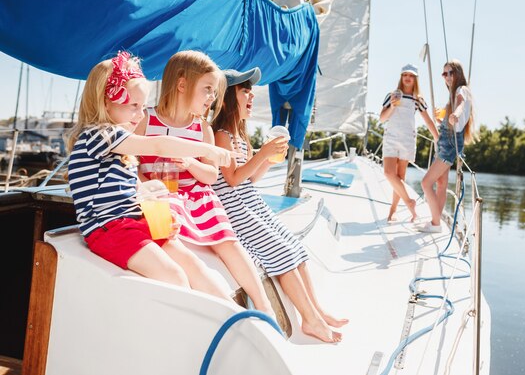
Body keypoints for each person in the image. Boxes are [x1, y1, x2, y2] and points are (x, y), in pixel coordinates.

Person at [66, 50, 240, 305]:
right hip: (109, 230)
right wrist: (207, 150)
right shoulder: (100, 135)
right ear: (105, 103)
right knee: (174, 276)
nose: (140, 114)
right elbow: (158, 146)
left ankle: (234, 317)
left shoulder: (119, 150)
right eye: (133, 106)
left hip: (131, 222)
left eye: (142, 105)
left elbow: (133, 193)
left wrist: (157, 216)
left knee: (194, 265)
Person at [212, 67, 348, 343]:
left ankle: (317, 311)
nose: (251, 96)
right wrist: (263, 153)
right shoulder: (221, 135)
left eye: (251, 91)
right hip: (236, 210)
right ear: (226, 98)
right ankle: (309, 320)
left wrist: (269, 157)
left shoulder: (240, 136)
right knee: (281, 252)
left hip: (251, 204)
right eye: (244, 91)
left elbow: (251, 177)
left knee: (295, 247)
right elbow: (233, 179)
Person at [135, 50, 273, 316]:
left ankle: (264, 305)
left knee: (228, 242)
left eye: (214, 91)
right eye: (208, 89)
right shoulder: (146, 120)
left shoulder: (203, 129)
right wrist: (148, 186)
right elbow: (131, 164)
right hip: (162, 196)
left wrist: (190, 162)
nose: (212, 97)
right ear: (182, 84)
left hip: (197, 196)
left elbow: (211, 176)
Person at [417, 59, 477, 233]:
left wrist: (454, 115)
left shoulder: (461, 90)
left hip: (450, 143)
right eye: (445, 73)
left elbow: (461, 104)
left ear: (458, 73)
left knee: (425, 183)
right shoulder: (453, 93)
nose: (448, 76)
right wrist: (443, 119)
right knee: (441, 183)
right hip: (446, 141)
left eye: (451, 72)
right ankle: (436, 219)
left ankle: (436, 224)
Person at [379, 63, 438, 223]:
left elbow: (427, 120)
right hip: (391, 137)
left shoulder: (417, 100)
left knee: (400, 176)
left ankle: (393, 211)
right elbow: (382, 118)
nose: (408, 78)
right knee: (388, 173)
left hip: (407, 139)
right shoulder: (391, 95)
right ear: (401, 77)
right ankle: (409, 201)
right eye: (405, 75)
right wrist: (392, 105)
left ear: (415, 79)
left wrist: (437, 138)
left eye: (411, 76)